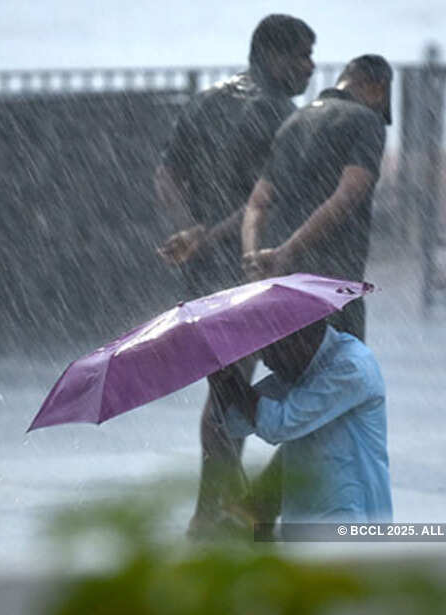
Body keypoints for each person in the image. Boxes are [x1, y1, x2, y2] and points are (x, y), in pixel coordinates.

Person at [153, 14, 316, 534]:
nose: (310, 67)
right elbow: (261, 200)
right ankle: (240, 512)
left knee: (225, 392)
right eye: (302, 55)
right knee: (314, 388)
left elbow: (166, 175)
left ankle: (213, 511)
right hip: (254, 268)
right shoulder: (278, 114)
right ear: (272, 56)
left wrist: (191, 231)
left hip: (205, 274)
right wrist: (216, 236)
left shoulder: (206, 100)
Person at [241, 55, 392, 342]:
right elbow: (347, 196)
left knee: (292, 377)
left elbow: (257, 203)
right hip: (332, 285)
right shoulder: (366, 121)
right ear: (379, 88)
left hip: (285, 289)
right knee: (343, 375)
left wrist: (252, 258)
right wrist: (289, 251)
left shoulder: (296, 121)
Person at [209, 319, 392, 524]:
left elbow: (279, 424)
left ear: (300, 339)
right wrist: (222, 381)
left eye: (271, 351)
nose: (267, 362)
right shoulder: (296, 365)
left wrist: (234, 383)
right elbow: (235, 422)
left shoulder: (350, 366)